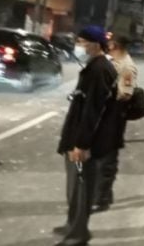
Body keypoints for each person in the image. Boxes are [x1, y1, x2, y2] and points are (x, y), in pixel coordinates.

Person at [54, 26, 117, 246]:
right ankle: (73, 226)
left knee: (80, 190)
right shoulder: (94, 67)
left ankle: (78, 235)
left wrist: (82, 144)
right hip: (76, 139)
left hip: (84, 142)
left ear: (96, 44)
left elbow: (93, 110)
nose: (78, 46)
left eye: (82, 42)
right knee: (74, 189)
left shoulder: (100, 70)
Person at [92, 35, 138, 212]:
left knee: (107, 159)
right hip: (104, 115)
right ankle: (103, 194)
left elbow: (126, 94)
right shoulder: (111, 61)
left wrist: (106, 95)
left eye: (108, 43)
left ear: (114, 45)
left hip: (114, 116)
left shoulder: (126, 66)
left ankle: (101, 198)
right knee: (98, 157)